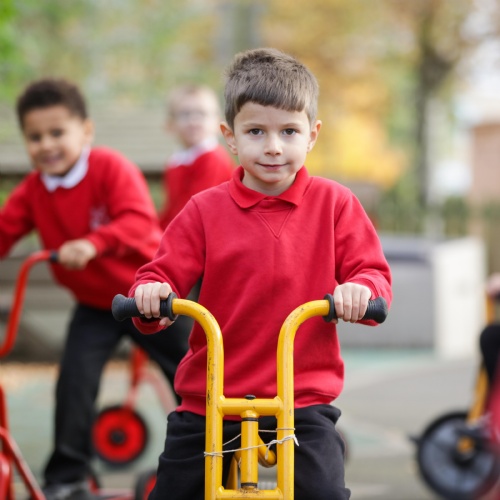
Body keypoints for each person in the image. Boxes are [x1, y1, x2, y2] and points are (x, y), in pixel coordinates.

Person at [129, 48, 392, 500]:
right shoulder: (204, 210)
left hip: (301, 396)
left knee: (323, 492)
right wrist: (152, 295)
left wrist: (360, 290)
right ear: (230, 137)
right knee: (174, 491)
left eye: (289, 131)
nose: (273, 146)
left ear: (312, 134)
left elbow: (372, 272)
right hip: (211, 395)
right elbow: (161, 272)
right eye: (256, 131)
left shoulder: (335, 204)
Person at [0, 78, 189, 500]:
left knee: (191, 372)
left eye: (57, 133)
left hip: (150, 296)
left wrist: (93, 243)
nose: (47, 145)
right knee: (75, 381)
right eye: (35, 137)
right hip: (95, 305)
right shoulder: (33, 191)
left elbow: (139, 221)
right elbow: (4, 231)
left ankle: (219, 448)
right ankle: (69, 476)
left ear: (85, 131)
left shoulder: (109, 168)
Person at [159, 84, 235, 229]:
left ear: (217, 124)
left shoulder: (213, 159)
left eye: (202, 114)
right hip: (182, 226)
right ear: (170, 125)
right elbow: (171, 209)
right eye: (185, 114)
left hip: (209, 229)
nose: (193, 121)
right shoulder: (177, 161)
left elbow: (198, 208)